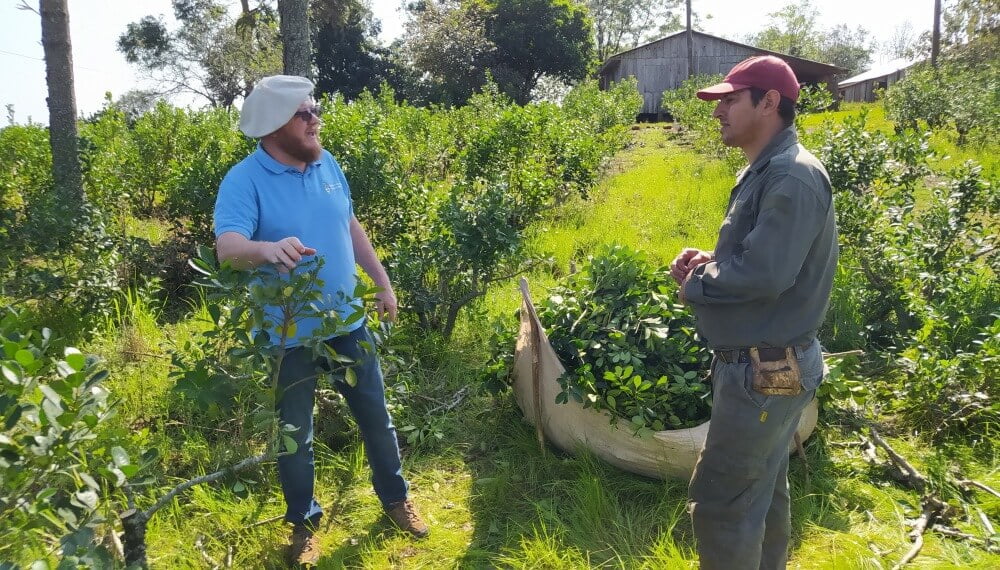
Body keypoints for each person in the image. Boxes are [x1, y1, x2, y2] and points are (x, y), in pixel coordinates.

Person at [213, 75, 428, 565]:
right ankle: (304, 525)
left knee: (376, 416)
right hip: (287, 334)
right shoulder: (243, 180)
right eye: (303, 113)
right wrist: (266, 249)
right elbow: (228, 250)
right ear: (273, 126)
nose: (316, 119)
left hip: (348, 324)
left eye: (315, 109)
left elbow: (349, 225)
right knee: (295, 435)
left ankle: (396, 500)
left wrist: (382, 281)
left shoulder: (327, 163)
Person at [669, 56, 838, 570]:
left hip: (764, 371)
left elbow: (766, 276)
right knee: (761, 492)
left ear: (769, 102)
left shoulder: (790, 176)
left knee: (723, 501)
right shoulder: (770, 169)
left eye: (730, 100)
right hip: (766, 366)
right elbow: (766, 259)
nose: (718, 111)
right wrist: (715, 261)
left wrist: (699, 282)